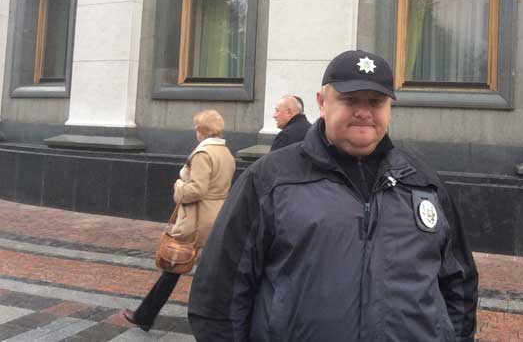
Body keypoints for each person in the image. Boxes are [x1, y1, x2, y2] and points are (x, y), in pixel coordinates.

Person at [188, 50, 478, 342]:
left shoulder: (423, 182)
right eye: (350, 100)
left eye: (376, 102)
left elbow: (459, 284)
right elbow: (219, 294)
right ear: (322, 102)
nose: (364, 112)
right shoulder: (270, 180)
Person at [122, 109, 235, 332]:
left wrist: (179, 186)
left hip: (198, 218)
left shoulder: (203, 154)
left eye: (197, 127)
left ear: (202, 130)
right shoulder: (226, 153)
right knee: (206, 271)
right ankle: (145, 314)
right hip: (217, 215)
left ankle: (146, 315)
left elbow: (197, 190)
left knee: (174, 264)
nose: (195, 131)